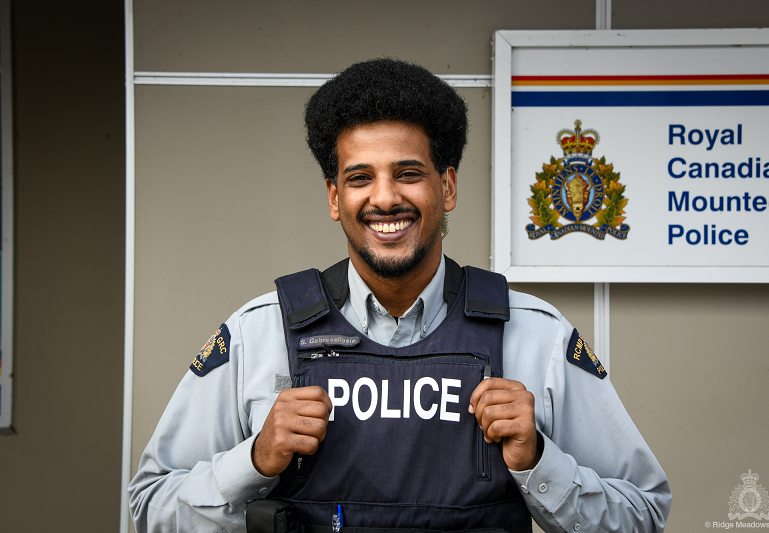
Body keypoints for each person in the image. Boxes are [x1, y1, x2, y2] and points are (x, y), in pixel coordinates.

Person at [128, 58, 671, 533]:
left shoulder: (536, 336)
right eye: (360, 178)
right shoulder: (259, 334)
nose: (385, 198)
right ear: (335, 197)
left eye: (408, 173)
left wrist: (538, 461)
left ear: (447, 187)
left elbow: (644, 513)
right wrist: (255, 459)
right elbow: (150, 507)